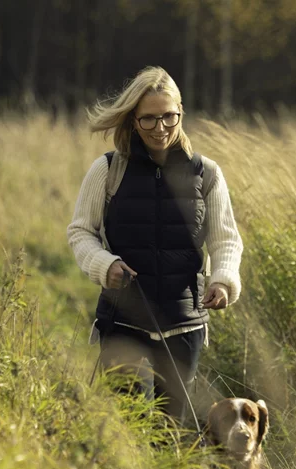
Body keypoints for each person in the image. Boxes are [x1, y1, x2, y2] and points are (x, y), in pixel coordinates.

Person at [67, 66, 243, 428]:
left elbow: (225, 239)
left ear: (181, 113)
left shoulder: (207, 173)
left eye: (169, 117)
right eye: (148, 120)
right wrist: (105, 264)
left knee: (169, 429)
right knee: (128, 424)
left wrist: (223, 281)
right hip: (122, 321)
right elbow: (80, 232)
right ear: (133, 120)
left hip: (184, 324)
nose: (160, 128)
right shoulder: (108, 169)